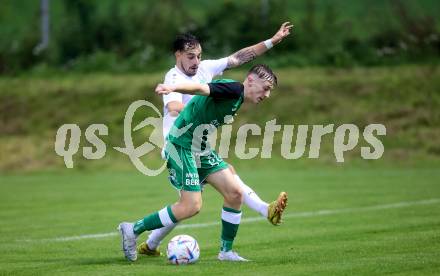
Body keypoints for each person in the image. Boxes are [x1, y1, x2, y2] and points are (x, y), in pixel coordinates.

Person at [137, 22, 293, 257]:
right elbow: (173, 107)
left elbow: (240, 58)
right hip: (177, 142)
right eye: (191, 56)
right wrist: (199, 104)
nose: (196, 61)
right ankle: (263, 210)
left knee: (193, 202)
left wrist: (273, 40)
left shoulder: (205, 69)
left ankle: (150, 245)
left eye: (199, 56)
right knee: (190, 204)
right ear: (178, 54)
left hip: (197, 144)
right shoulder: (172, 77)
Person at [119, 64, 279, 262]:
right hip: (182, 145)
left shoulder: (237, 97)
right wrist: (173, 89)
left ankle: (226, 252)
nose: (267, 94)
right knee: (191, 206)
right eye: (266, 88)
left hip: (200, 149)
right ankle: (132, 229)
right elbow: (202, 89)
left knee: (235, 193)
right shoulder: (235, 89)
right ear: (251, 81)